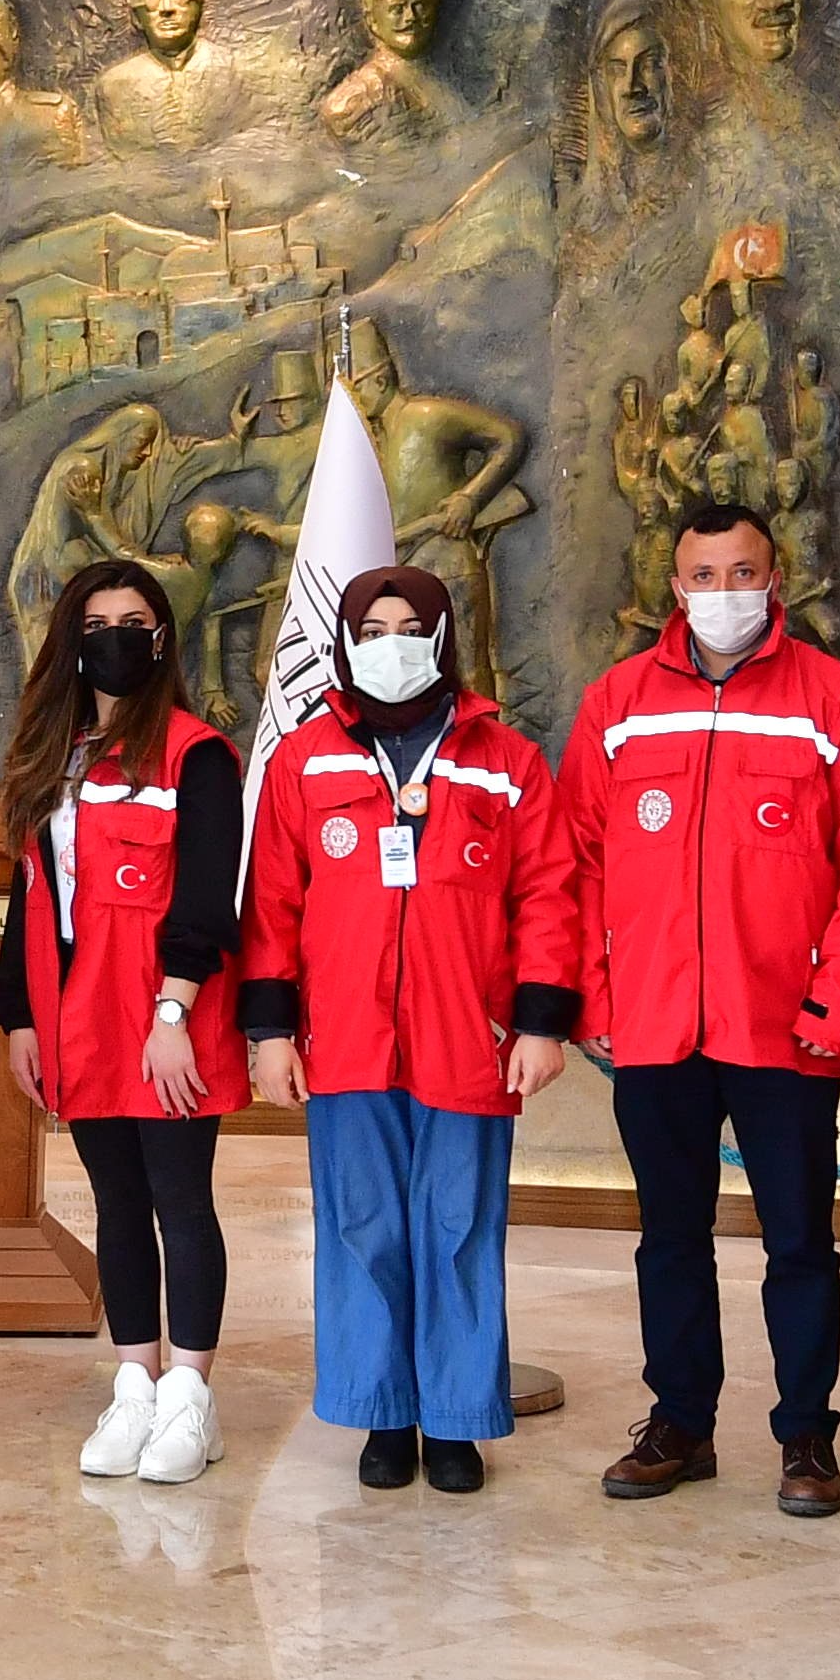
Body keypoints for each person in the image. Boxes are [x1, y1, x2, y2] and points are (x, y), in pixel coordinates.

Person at [529, 501, 840, 1514]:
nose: (723, 593)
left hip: (787, 1025)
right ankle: (680, 1421)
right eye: (704, 576)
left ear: (777, 580)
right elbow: (576, 860)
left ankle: (807, 1433)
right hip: (654, 1025)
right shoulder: (618, 702)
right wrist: (594, 996)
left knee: (800, 1243)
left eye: (742, 574)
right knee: (668, 1237)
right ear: (675, 587)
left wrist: (839, 999)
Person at [239, 566, 570, 1490]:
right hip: (344, 1038)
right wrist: (272, 1032)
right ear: (347, 644)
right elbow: (271, 905)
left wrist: (540, 1022)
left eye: (411, 629)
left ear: (443, 638)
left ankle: (456, 1420)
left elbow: (549, 894)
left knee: (460, 1227)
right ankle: (382, 1412)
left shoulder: (506, 760)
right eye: (374, 631)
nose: (393, 647)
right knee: (361, 1228)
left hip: (470, 1035)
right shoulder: (304, 760)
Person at [0, 559, 240, 1486]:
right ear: (71, 640)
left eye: (134, 623)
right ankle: (135, 1384)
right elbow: (31, 898)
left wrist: (173, 1012)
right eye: (97, 625)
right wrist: (21, 1018)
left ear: (162, 638)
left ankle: (190, 1396)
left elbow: (209, 899)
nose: (115, 640)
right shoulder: (49, 757)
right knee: (116, 1203)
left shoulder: (195, 754)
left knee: (181, 1200)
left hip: (168, 1014)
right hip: (79, 1018)